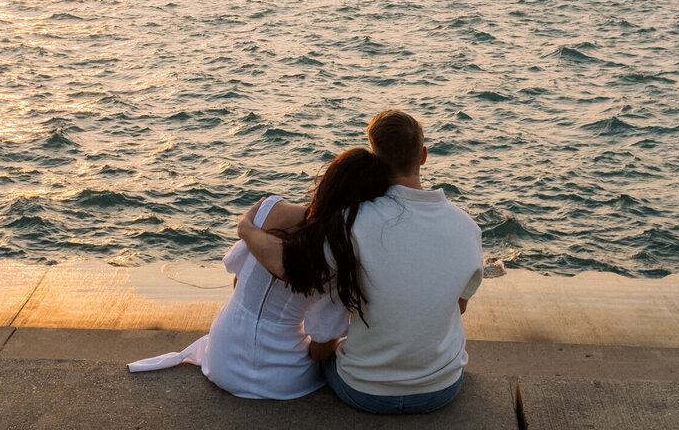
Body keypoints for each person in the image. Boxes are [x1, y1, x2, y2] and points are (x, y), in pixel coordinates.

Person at [239, 110, 484, 414]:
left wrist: (246, 229)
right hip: (441, 389)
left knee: (321, 350)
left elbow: (288, 265)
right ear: (423, 155)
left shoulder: (352, 221)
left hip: (365, 390)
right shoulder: (468, 229)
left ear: (373, 160)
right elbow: (458, 307)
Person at [127, 148, 391, 399]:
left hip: (223, 359)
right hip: (283, 380)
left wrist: (245, 227)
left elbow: (235, 275)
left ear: (327, 181)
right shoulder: (341, 258)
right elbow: (320, 347)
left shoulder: (269, 210)